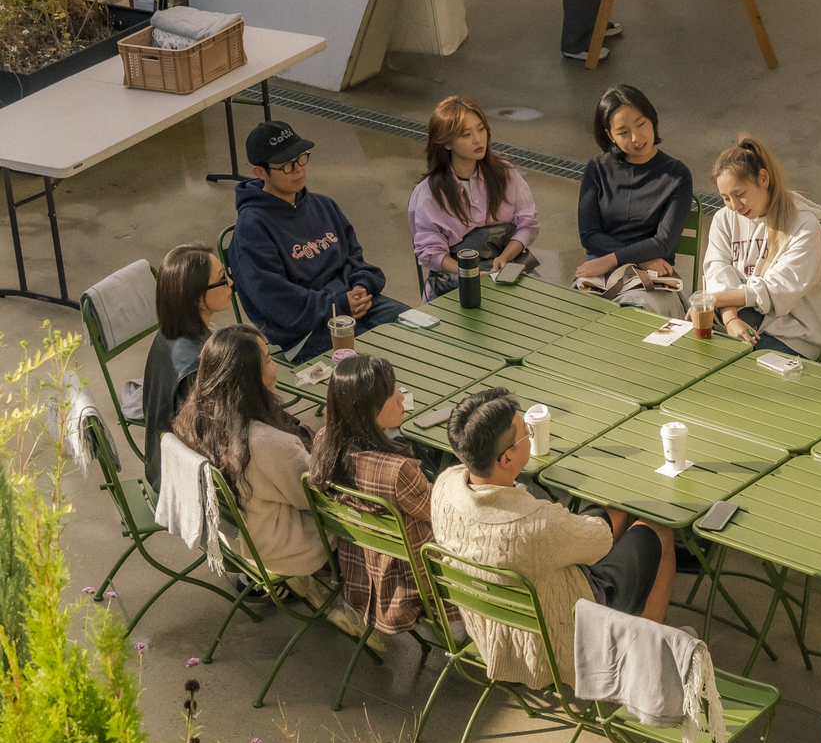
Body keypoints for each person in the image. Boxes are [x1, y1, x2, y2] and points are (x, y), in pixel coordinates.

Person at [430, 388, 676, 689]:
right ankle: (647, 650)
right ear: (507, 458)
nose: (531, 437)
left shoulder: (444, 487)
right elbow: (600, 540)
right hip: (564, 628)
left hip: (495, 625)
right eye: (526, 434)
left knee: (613, 512)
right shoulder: (535, 524)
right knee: (659, 528)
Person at [172, 325, 367, 638]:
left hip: (236, 536)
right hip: (285, 545)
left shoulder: (193, 417)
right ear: (247, 378)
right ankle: (359, 598)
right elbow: (317, 500)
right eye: (266, 360)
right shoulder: (268, 445)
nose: (274, 363)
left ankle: (307, 584)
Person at [229, 120, 409, 363]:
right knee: (378, 365)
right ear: (260, 172)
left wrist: (361, 286)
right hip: (306, 331)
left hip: (353, 305)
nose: (298, 170)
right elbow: (277, 302)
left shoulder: (324, 205)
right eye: (287, 166)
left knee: (420, 330)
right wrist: (339, 304)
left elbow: (355, 259)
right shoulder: (252, 229)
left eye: (301, 159)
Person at [310, 354, 448, 640]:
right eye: (389, 394)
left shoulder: (324, 442)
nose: (400, 399)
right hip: (413, 584)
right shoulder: (397, 472)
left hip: (360, 573)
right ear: (366, 410)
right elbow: (443, 513)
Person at [701, 135, 821, 359]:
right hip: (738, 322)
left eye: (739, 194)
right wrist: (730, 317)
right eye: (725, 198)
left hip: (793, 336)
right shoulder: (724, 218)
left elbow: (776, 291)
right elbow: (717, 271)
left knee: (731, 367)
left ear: (763, 178)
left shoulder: (805, 226)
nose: (734, 206)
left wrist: (711, 301)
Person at [574, 85, 693, 318]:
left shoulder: (677, 175)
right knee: (577, 309)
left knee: (631, 315)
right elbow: (589, 234)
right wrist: (641, 259)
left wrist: (615, 259)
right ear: (609, 135)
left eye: (641, 124)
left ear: (652, 120)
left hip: (654, 277)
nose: (636, 138)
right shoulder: (597, 168)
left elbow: (663, 242)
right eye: (623, 132)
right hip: (601, 273)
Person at [409, 96, 540, 302]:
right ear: (446, 143)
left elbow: (527, 224)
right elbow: (430, 252)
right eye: (466, 134)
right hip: (454, 280)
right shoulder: (428, 193)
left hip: (506, 269)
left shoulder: (505, 173)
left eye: (481, 129)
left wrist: (505, 257)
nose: (478, 140)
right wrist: (469, 272)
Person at [141, 243, 233, 490]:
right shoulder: (196, 364)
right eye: (222, 279)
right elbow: (215, 442)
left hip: (161, 463)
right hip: (186, 482)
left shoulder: (168, 333)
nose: (231, 283)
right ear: (196, 297)